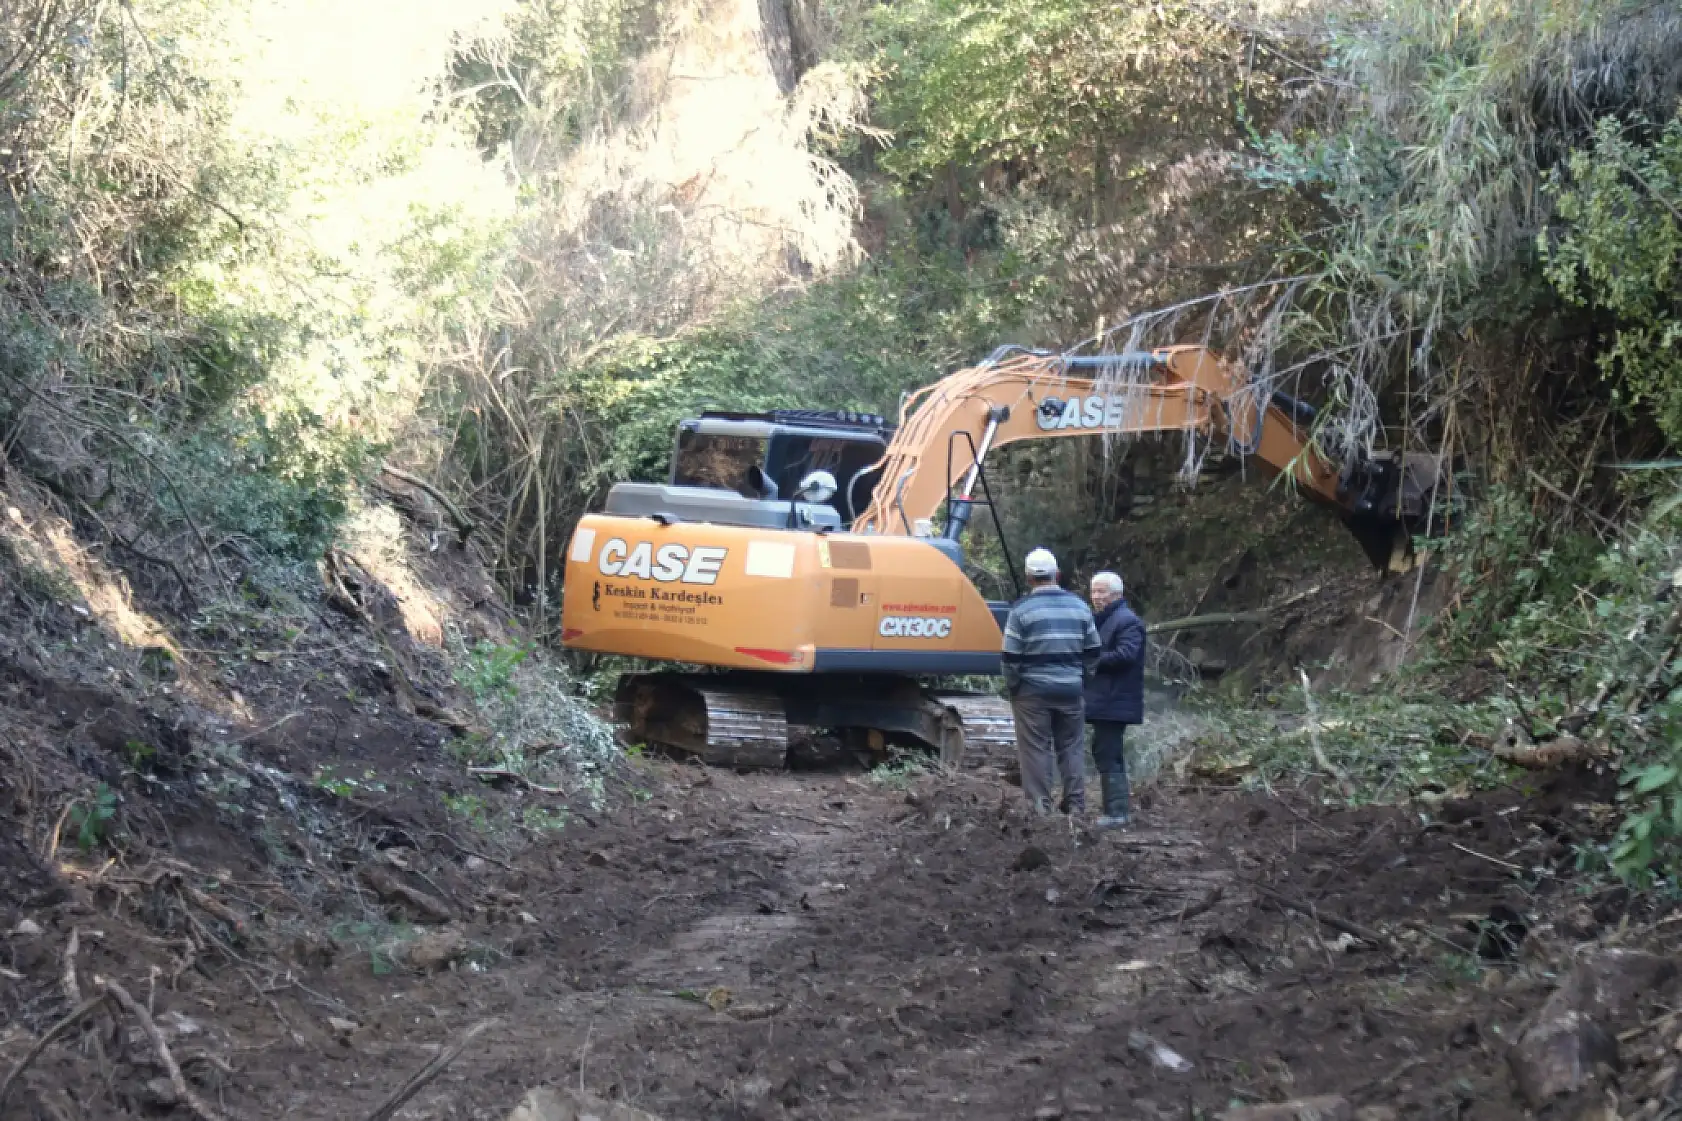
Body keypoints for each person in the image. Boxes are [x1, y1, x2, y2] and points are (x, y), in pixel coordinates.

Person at [1001, 548, 1101, 816]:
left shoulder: (1020, 611)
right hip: (1071, 688)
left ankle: (1039, 809)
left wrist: (1014, 687)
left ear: (1029, 578)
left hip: (1032, 692)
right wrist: (1082, 679)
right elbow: (1093, 652)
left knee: (1035, 749)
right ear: (1057, 574)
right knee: (1071, 747)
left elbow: (1010, 657)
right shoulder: (1080, 607)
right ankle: (1076, 806)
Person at [1085, 570, 1146, 829]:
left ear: (1116, 594)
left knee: (1109, 753)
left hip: (1115, 699)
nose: (1097, 597)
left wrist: (1091, 661)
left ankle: (1117, 812)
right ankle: (1114, 809)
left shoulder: (1127, 621)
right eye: (1094, 591)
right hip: (1105, 700)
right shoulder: (1102, 619)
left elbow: (1126, 655)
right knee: (1105, 752)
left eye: (1102, 592)